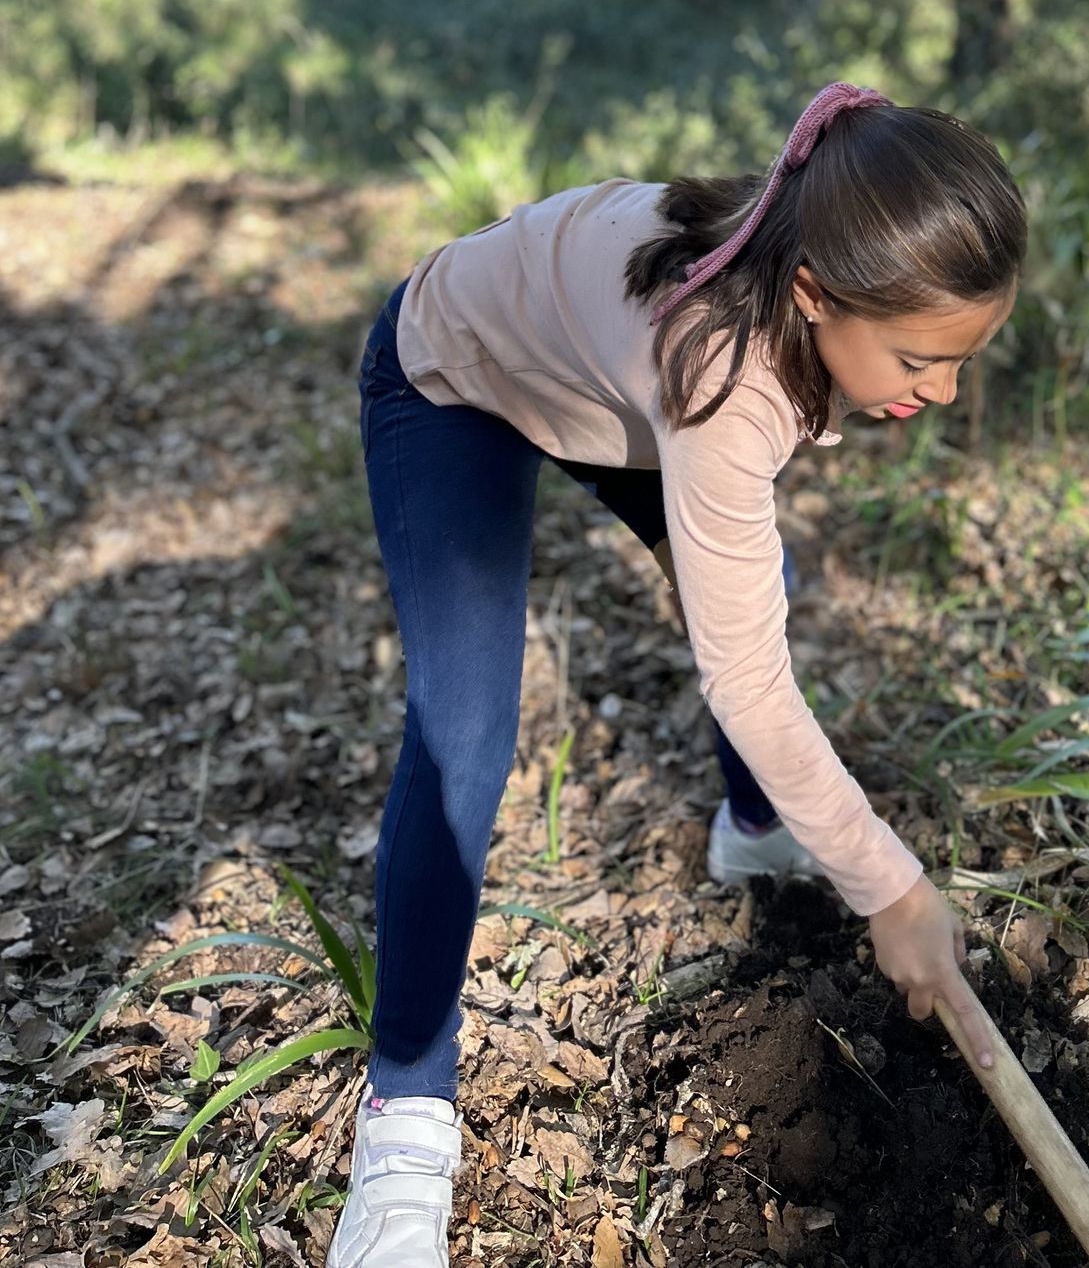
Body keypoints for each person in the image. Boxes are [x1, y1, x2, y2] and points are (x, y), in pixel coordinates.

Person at [326, 80, 1026, 1268]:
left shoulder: (797, 260)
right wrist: (891, 888)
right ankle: (403, 1112)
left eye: (964, 360)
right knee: (464, 735)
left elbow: (736, 582)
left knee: (759, 582)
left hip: (606, 388)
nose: (943, 391)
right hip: (456, 377)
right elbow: (743, 678)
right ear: (817, 295)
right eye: (921, 358)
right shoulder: (727, 370)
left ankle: (753, 827)